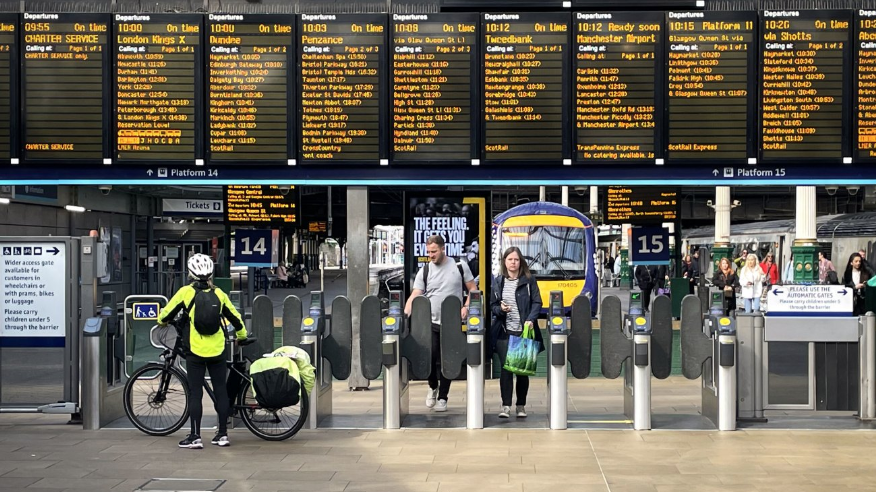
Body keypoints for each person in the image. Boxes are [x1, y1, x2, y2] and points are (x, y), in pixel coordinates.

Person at [157, 254, 246, 449]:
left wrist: (162, 321)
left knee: (195, 393)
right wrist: (242, 335)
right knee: (220, 390)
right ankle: (222, 435)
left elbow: (166, 314)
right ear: (210, 273)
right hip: (217, 349)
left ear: (191, 273)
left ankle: (195, 436)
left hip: (195, 351)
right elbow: (236, 318)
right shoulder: (219, 294)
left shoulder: (185, 293)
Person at [404, 235, 477, 412]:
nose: (431, 255)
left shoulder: (460, 266)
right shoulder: (425, 270)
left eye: (434, 251)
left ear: (443, 249)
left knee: (448, 360)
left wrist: (466, 306)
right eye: (428, 251)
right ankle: (433, 386)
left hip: (452, 323)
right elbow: (415, 295)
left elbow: (473, 290)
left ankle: (443, 397)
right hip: (431, 322)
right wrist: (404, 315)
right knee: (430, 357)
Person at [490, 247, 542, 419]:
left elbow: (537, 302)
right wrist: (501, 309)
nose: (513, 262)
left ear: (521, 262)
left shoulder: (529, 280)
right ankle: (505, 406)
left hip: (523, 331)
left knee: (521, 371)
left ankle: (520, 405)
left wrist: (531, 319)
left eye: (516, 260)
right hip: (505, 332)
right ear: (504, 261)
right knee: (506, 370)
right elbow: (493, 306)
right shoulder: (498, 281)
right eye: (510, 259)